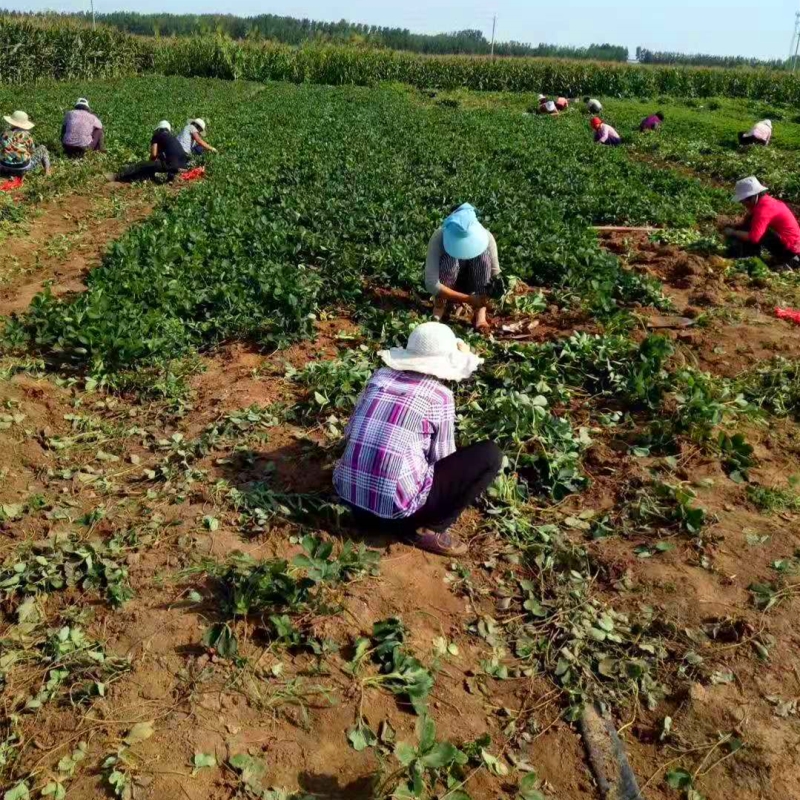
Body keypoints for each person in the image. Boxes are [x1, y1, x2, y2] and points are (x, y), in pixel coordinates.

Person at [333, 322, 503, 556]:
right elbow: (442, 457)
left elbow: (349, 432)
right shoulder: (439, 396)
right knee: (490, 455)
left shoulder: (379, 378)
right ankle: (425, 529)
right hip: (399, 514)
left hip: (351, 500)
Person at [425, 203, 500, 333]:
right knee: (450, 259)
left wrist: (496, 289)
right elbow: (431, 283)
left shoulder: (486, 236)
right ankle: (439, 307)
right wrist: (468, 299)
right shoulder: (438, 237)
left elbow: (495, 273)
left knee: (483, 256)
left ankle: (480, 313)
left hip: (475, 285)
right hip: (447, 286)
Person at [724, 176, 800, 271]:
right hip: (791, 245)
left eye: (743, 201)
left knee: (758, 232)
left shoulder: (764, 209)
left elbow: (754, 238)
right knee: (750, 224)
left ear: (751, 198)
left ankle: (790, 262)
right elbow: (749, 218)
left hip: (792, 250)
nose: (742, 204)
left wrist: (733, 232)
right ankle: (752, 254)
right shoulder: (765, 202)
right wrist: (738, 227)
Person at [115, 121, 188, 183]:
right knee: (161, 165)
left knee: (141, 165)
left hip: (172, 166)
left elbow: (153, 155)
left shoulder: (157, 135)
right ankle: (169, 178)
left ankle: (117, 176)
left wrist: (149, 164)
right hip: (183, 166)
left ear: (158, 129)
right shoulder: (172, 138)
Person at [0, 110, 50, 177]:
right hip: (22, 168)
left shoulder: (4, 134)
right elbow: (32, 151)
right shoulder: (27, 135)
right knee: (42, 148)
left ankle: (7, 171)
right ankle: (47, 172)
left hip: (3, 166)